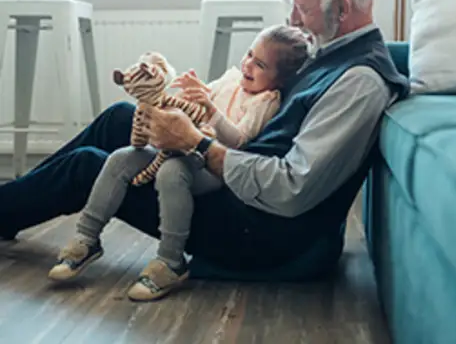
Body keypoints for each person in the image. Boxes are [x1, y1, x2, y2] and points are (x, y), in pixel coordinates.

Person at [0, 0, 409, 302]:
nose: (294, 21)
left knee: (89, 165)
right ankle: (10, 206)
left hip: (262, 230)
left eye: (302, 9)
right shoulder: (333, 47)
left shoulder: (359, 83)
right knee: (118, 119)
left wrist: (197, 143)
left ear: (340, 7)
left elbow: (290, 188)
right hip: (242, 182)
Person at [46, 25, 310, 297]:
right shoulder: (232, 79)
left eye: (261, 65)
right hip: (179, 148)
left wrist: (210, 110)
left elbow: (239, 140)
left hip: (211, 166)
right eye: (249, 55)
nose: (248, 65)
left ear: (279, 80)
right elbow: (196, 104)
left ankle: (171, 261)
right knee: (120, 159)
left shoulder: (265, 101)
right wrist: (190, 95)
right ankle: (86, 238)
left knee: (171, 173)